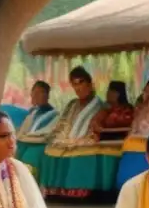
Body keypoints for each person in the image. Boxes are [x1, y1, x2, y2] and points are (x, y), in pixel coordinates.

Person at [39, 67, 117, 198]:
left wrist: (80, 140)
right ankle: (55, 190)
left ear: (89, 84)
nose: (78, 88)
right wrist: (61, 138)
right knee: (51, 149)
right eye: (74, 84)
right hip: (68, 139)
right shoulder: (72, 104)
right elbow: (62, 124)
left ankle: (79, 190)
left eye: (81, 82)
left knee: (81, 149)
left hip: (88, 139)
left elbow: (99, 127)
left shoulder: (101, 106)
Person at [15, 80, 58, 176]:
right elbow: (22, 131)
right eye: (33, 93)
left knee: (29, 161)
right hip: (24, 143)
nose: (35, 96)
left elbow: (48, 134)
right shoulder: (33, 112)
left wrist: (27, 138)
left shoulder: (55, 115)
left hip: (40, 145)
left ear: (47, 95)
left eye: (40, 92)